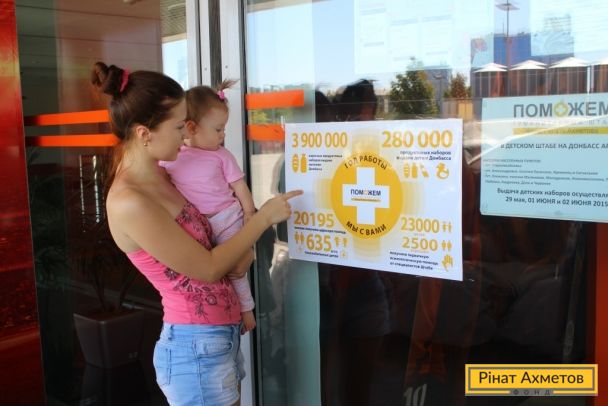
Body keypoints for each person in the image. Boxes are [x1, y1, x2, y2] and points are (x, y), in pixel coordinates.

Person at [91, 61, 301, 406]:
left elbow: (220, 244)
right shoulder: (130, 201)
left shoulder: (164, 175)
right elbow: (208, 268)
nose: (186, 135)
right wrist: (262, 219)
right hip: (195, 347)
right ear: (144, 133)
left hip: (216, 338)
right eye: (178, 127)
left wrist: (243, 251)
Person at [159, 82, 257, 334]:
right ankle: (226, 311)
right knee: (211, 272)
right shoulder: (173, 157)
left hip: (227, 217)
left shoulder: (222, 155)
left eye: (224, 129)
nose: (223, 135)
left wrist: (249, 214)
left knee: (236, 270)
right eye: (218, 129)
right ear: (192, 127)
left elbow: (239, 187)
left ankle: (247, 309)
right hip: (197, 224)